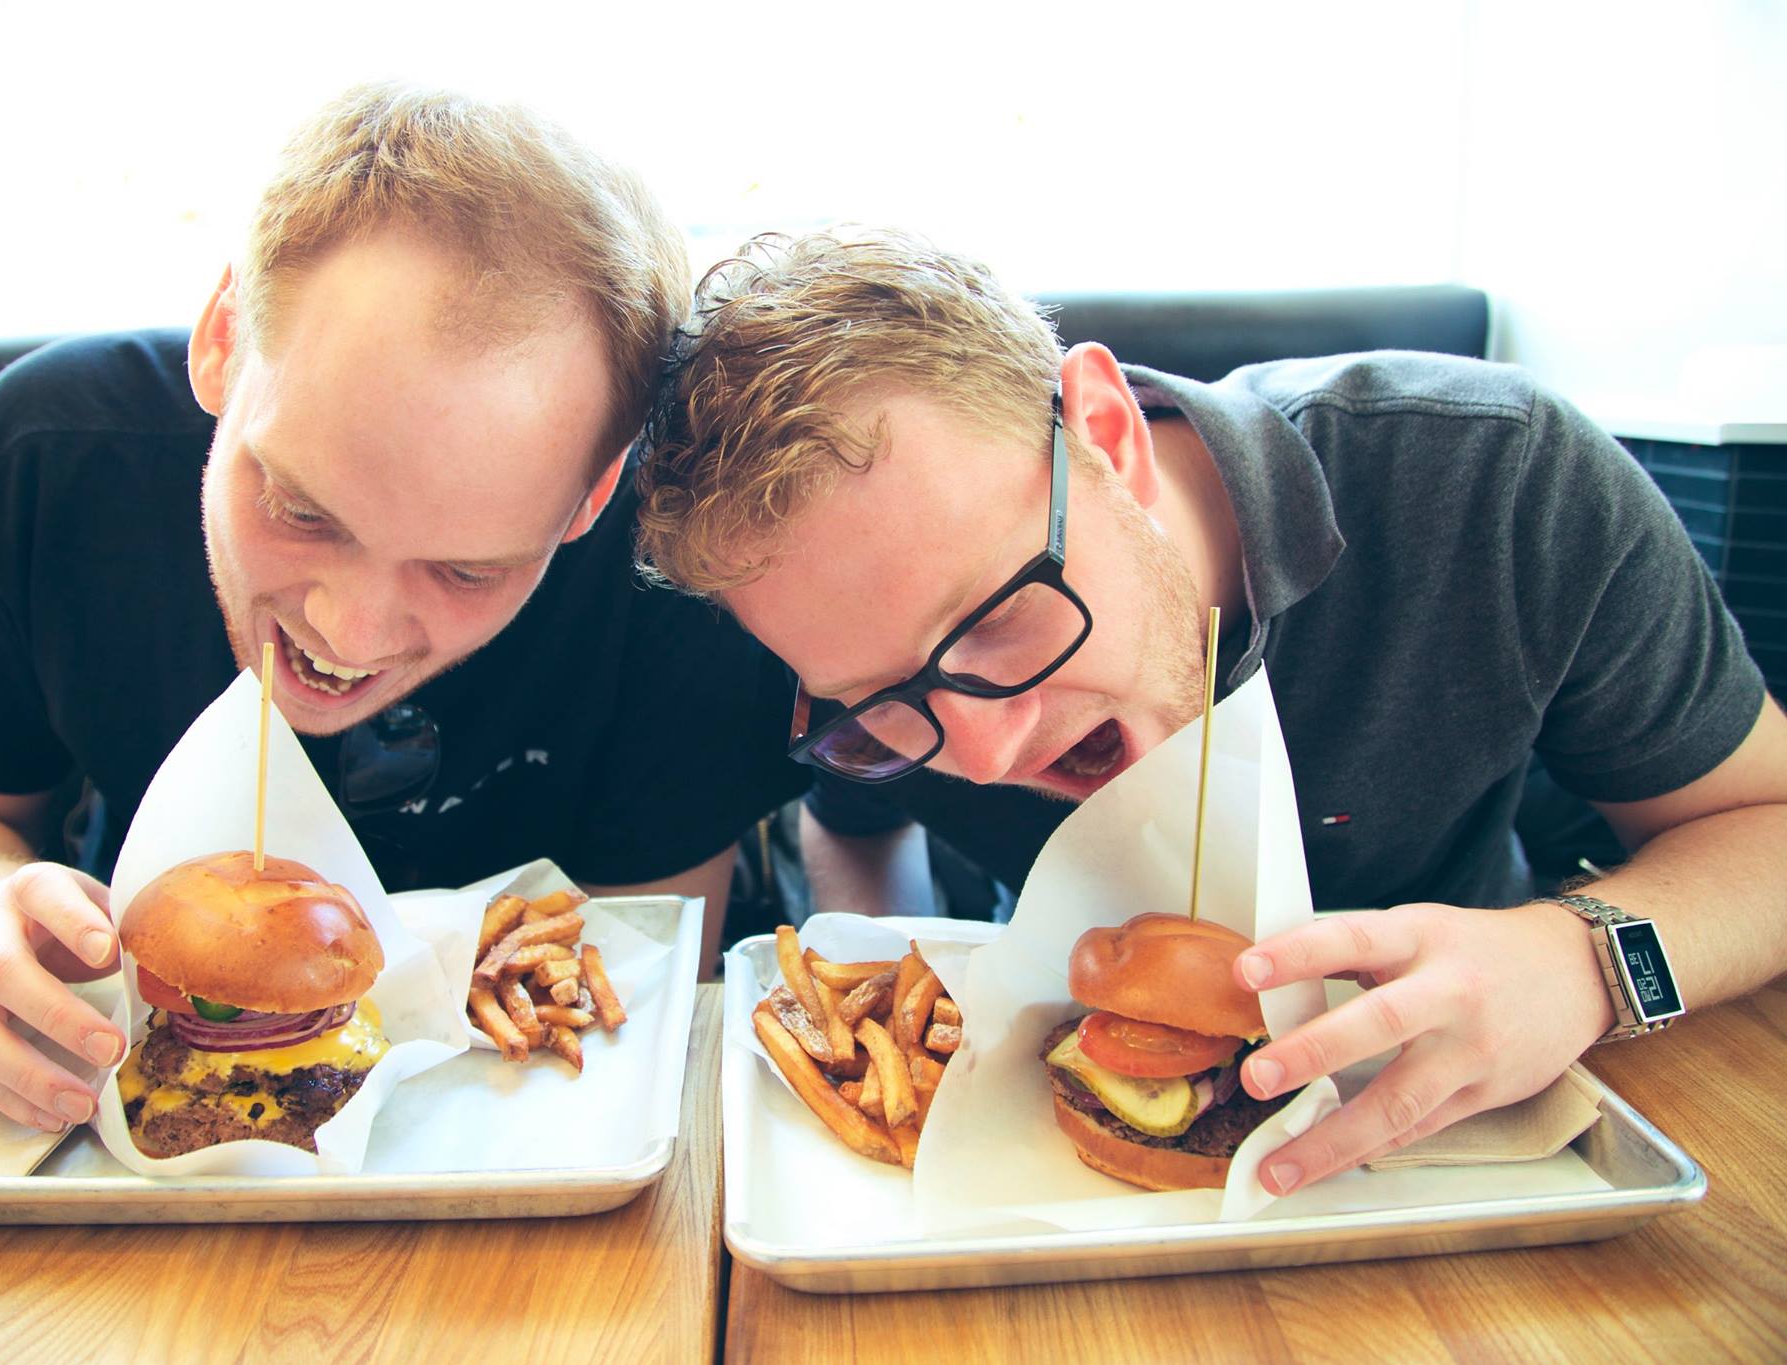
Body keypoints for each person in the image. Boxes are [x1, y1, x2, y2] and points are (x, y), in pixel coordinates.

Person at [635, 228, 1787, 1196]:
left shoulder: (1495, 481)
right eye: (879, 705)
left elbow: (1768, 823)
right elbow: (850, 825)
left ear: (1105, 432)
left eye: (992, 621)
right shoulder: (818, 637)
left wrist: (1585, 961)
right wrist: (897, 1001)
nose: (982, 754)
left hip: (1481, 1162)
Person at [0, 85, 806, 1136]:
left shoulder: (669, 575)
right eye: (301, 510)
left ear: (588, 498)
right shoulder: (54, 460)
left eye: (464, 572)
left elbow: (636, 965)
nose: (346, 634)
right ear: (222, 341)